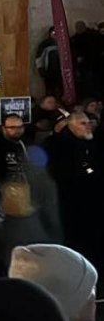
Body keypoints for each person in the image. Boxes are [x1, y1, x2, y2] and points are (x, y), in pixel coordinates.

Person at [46, 110, 104, 270]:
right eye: (82, 123)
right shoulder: (59, 147)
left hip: (96, 206)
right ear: (70, 126)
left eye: (89, 123)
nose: (88, 127)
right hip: (73, 208)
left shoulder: (93, 144)